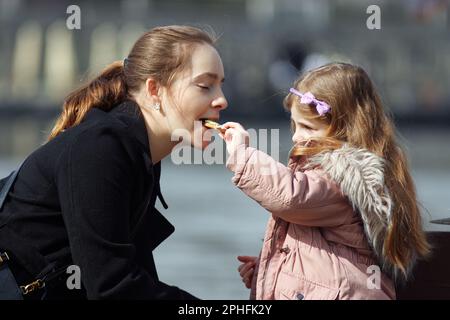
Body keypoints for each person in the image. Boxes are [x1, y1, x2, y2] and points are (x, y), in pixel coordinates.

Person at [0, 25, 227, 299]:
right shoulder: (101, 148)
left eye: (220, 85)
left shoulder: (137, 154)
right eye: (205, 86)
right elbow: (113, 287)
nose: (222, 100)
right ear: (154, 90)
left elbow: (135, 278)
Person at [219, 62, 430, 300]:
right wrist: (270, 269)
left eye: (308, 127)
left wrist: (242, 155)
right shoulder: (329, 175)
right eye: (294, 125)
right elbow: (323, 255)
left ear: (345, 127)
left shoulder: (344, 176)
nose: (297, 136)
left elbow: (291, 197)